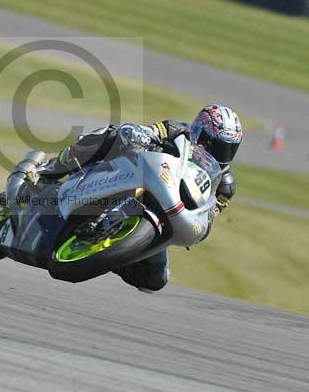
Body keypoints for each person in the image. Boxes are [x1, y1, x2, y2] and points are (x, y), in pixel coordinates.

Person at [38, 104, 243, 292]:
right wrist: (142, 135)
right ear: (199, 132)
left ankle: (110, 257)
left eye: (228, 149)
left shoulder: (225, 185)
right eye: (215, 145)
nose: (220, 153)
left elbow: (209, 213)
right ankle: (52, 168)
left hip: (167, 210)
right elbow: (149, 131)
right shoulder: (177, 130)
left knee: (156, 280)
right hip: (135, 172)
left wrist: (199, 227)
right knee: (111, 133)